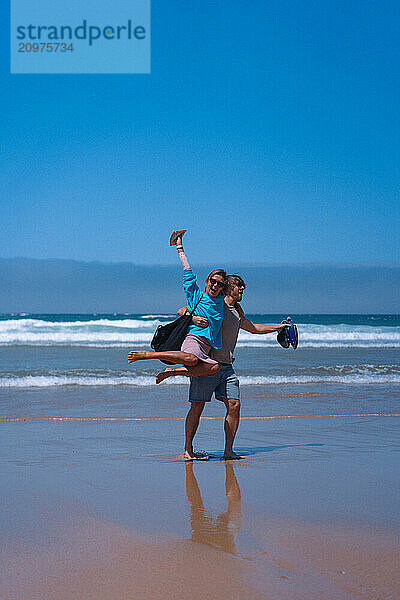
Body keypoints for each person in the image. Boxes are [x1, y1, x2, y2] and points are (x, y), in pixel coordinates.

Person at [156, 274, 288, 460]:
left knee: (234, 404)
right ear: (229, 288)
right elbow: (182, 310)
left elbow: (254, 328)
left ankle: (228, 451)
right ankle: (188, 450)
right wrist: (193, 318)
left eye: (243, 287)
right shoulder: (215, 304)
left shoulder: (236, 312)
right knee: (197, 407)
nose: (242, 289)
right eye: (239, 286)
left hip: (227, 368)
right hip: (207, 365)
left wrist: (279, 327)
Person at [127, 232, 226, 376]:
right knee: (191, 360)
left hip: (207, 345)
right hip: (193, 338)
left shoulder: (220, 300)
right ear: (208, 281)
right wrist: (179, 246)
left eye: (220, 284)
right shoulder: (196, 296)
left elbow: (235, 290)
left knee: (214, 368)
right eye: (213, 281)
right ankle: (149, 355)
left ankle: (171, 372)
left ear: (223, 287)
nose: (216, 285)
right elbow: (187, 272)